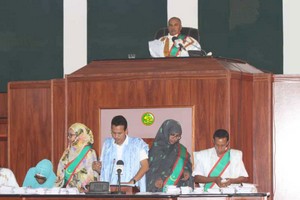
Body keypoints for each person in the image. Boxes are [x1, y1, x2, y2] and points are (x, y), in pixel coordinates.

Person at [92, 115, 149, 192]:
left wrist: (132, 182)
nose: (116, 136)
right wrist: (97, 168)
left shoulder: (137, 144)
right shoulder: (107, 144)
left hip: (131, 189)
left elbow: (145, 166)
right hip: (111, 190)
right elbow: (104, 170)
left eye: (119, 133)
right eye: (113, 133)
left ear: (126, 131)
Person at [146, 119, 193, 192]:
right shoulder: (156, 149)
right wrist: (156, 178)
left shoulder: (181, 150)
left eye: (178, 136)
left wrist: (186, 172)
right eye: (172, 135)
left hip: (176, 189)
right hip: (159, 189)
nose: (174, 139)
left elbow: (187, 166)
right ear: (166, 133)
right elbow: (149, 170)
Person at [56, 123, 98, 192]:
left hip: (83, 192)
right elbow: (61, 168)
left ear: (80, 135)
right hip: (67, 191)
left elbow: (91, 173)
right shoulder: (67, 151)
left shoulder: (89, 152)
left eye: (71, 135)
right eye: (68, 135)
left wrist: (78, 185)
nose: (68, 137)